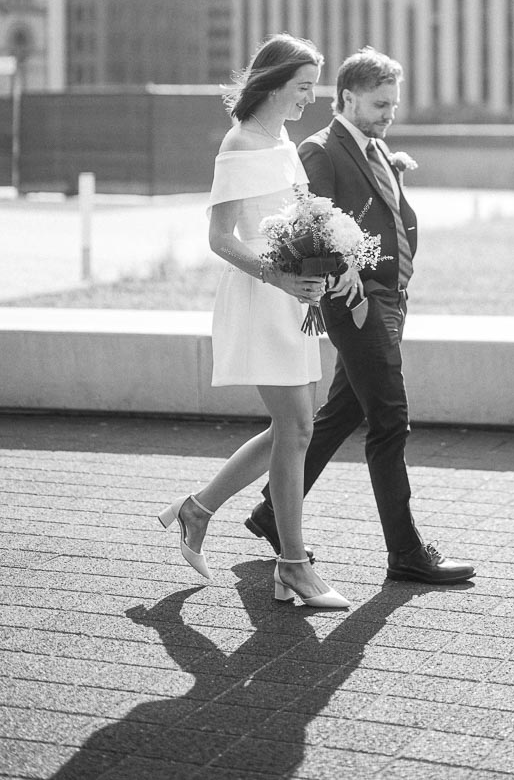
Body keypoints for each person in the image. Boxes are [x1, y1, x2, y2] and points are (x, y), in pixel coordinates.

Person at [246, 47, 476, 585]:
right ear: (347, 98)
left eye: (393, 104)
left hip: (391, 297)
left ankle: (271, 511)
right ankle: (406, 552)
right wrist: (346, 268)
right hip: (356, 301)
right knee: (390, 419)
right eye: (379, 105)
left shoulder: (375, 148)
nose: (389, 114)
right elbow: (310, 224)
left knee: (344, 412)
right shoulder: (321, 150)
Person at [158, 33, 350, 609]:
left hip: (294, 298)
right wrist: (281, 277)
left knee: (292, 428)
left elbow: (300, 219)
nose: (310, 99)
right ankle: (292, 563)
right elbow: (221, 238)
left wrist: (328, 261)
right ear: (273, 84)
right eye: (303, 87)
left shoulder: (282, 139)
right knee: (296, 428)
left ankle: (198, 509)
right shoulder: (240, 142)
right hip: (262, 297)